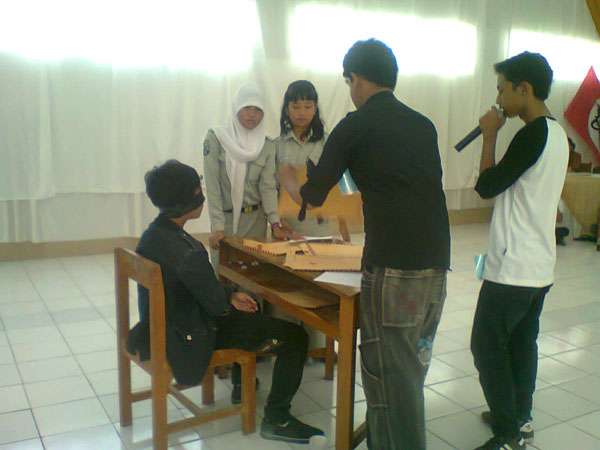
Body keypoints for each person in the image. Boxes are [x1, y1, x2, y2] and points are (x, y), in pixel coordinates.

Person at [299, 39, 450, 450]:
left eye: (349, 82)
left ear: (356, 80)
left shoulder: (356, 124)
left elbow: (314, 192)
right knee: (409, 369)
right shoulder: (423, 125)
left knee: (387, 377)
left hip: (394, 268)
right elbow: (397, 179)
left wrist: (294, 185)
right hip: (436, 266)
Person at [126, 160, 324, 443]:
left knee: (248, 304)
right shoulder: (189, 252)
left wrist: (230, 294)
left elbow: (198, 288)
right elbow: (217, 307)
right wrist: (228, 298)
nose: (202, 195)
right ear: (185, 202)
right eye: (198, 190)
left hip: (163, 326)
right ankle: (277, 418)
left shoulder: (153, 235)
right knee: (294, 336)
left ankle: (241, 385)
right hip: (190, 336)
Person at [471, 52, 569, 450]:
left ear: (523, 89)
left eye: (502, 90)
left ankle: (508, 434)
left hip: (513, 268)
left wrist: (489, 135)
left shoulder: (531, 135)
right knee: (521, 344)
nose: (498, 99)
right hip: (539, 266)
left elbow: (487, 186)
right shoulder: (557, 134)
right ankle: (518, 418)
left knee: (486, 345)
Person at [203, 82, 295, 270]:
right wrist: (217, 226)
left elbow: (267, 186)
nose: (252, 114)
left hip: (255, 222)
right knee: (224, 274)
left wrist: (274, 221)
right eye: (247, 108)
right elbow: (212, 186)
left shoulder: (266, 145)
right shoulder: (216, 138)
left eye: (258, 109)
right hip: (226, 222)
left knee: (253, 274)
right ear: (236, 107)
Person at [277, 80, 330, 237]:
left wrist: (342, 222)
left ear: (315, 109)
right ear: (287, 110)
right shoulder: (276, 146)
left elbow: (337, 185)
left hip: (319, 229)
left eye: (307, 107)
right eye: (296, 107)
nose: (302, 112)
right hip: (288, 228)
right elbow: (271, 187)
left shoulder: (328, 143)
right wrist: (276, 220)